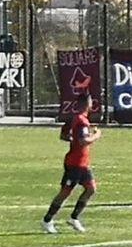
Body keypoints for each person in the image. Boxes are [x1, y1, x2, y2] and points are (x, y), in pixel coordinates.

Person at [43, 92, 101, 234]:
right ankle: (47, 220)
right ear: (87, 104)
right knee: (65, 192)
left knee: (91, 189)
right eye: (90, 101)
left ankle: (74, 218)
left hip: (83, 163)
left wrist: (72, 138)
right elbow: (83, 141)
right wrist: (96, 135)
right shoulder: (81, 121)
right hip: (75, 163)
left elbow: (64, 135)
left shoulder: (76, 119)